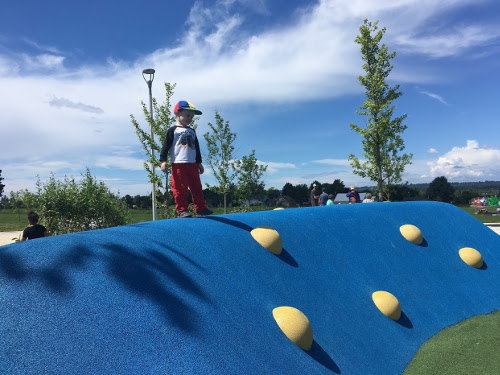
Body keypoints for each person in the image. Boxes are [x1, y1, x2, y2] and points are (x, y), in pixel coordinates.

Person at [160, 100, 213, 218]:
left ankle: (200, 208)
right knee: (180, 188)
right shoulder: (173, 130)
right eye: (187, 115)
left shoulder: (192, 131)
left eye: (192, 117)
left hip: (192, 164)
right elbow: (165, 146)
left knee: (197, 187)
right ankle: (182, 210)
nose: (190, 118)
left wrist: (199, 163)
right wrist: (163, 161)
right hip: (178, 164)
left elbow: (197, 147)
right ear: (178, 114)